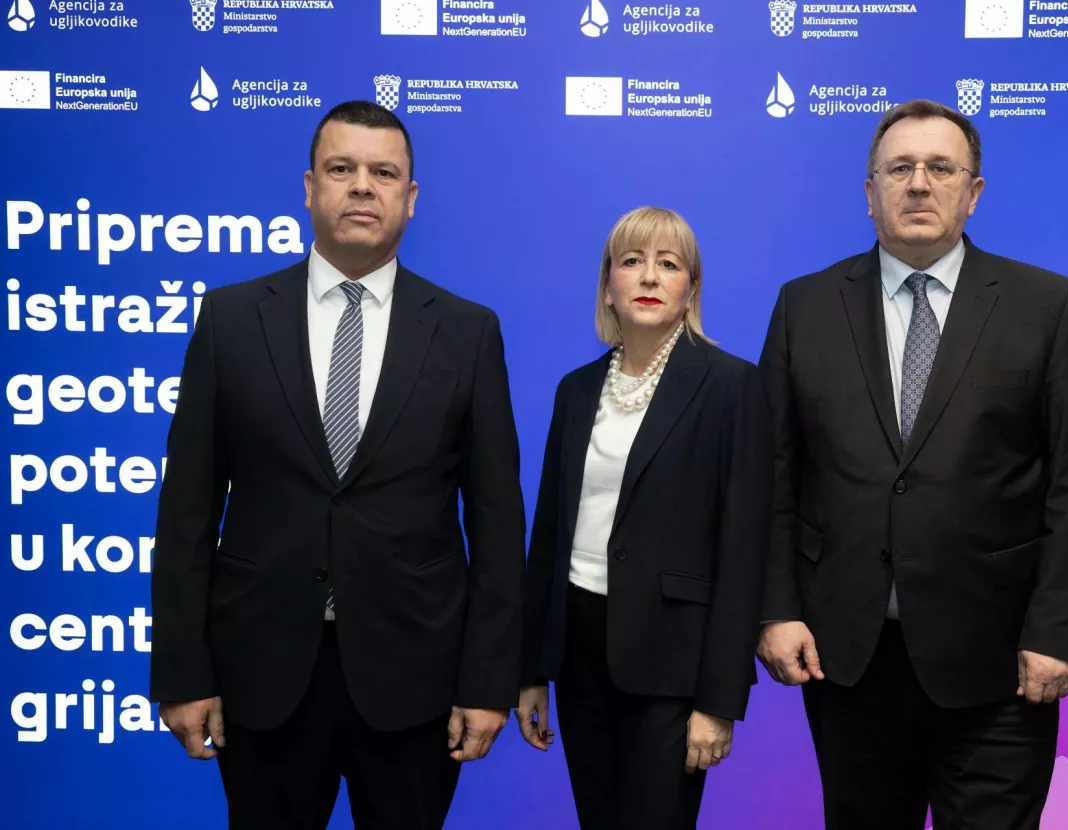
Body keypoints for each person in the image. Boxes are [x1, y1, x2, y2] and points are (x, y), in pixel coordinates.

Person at [149, 100, 526, 830]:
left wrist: (488, 682)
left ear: (410, 198)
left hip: (416, 677)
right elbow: (187, 511)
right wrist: (182, 672)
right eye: (341, 169)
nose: (361, 186)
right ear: (309, 187)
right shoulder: (230, 320)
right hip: (262, 672)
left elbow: (497, 522)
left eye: (383, 173)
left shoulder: (468, 332)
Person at [756, 99, 1068, 828]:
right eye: (900, 169)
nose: (919, 183)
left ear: (973, 192)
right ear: (870, 193)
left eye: (941, 168)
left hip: (1001, 663)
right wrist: (777, 608)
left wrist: (1060, 633)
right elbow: (773, 474)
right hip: (848, 659)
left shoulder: (1045, 304)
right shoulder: (805, 307)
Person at [517, 207, 774, 829]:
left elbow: (744, 550)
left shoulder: (731, 386)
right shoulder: (576, 390)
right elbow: (548, 535)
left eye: (669, 264)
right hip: (579, 654)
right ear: (608, 285)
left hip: (673, 664)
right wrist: (531, 670)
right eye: (631, 261)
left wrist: (719, 701)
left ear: (691, 287)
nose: (649, 276)